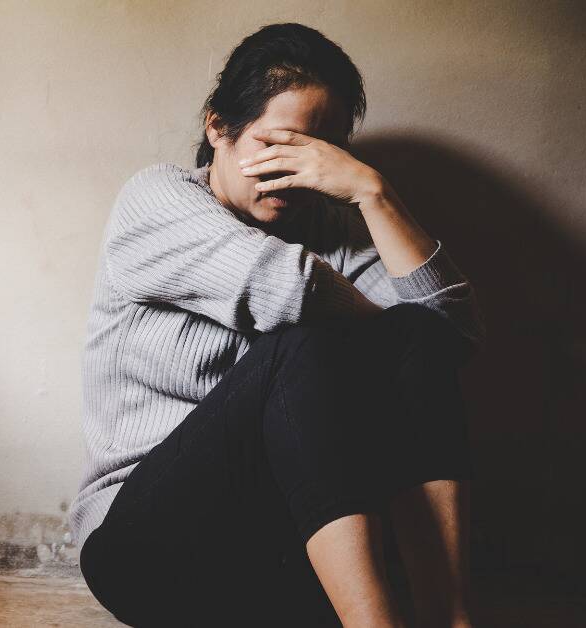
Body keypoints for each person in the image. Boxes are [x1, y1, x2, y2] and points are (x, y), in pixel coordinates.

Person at [69, 23, 484, 627]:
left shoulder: (332, 233)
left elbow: (450, 338)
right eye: (274, 145)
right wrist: (390, 340)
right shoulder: (155, 201)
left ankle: (449, 618)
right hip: (145, 549)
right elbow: (289, 287)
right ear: (219, 128)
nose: (293, 175)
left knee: (416, 333)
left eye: (315, 156)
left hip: (276, 557)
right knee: (307, 345)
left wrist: (373, 192)